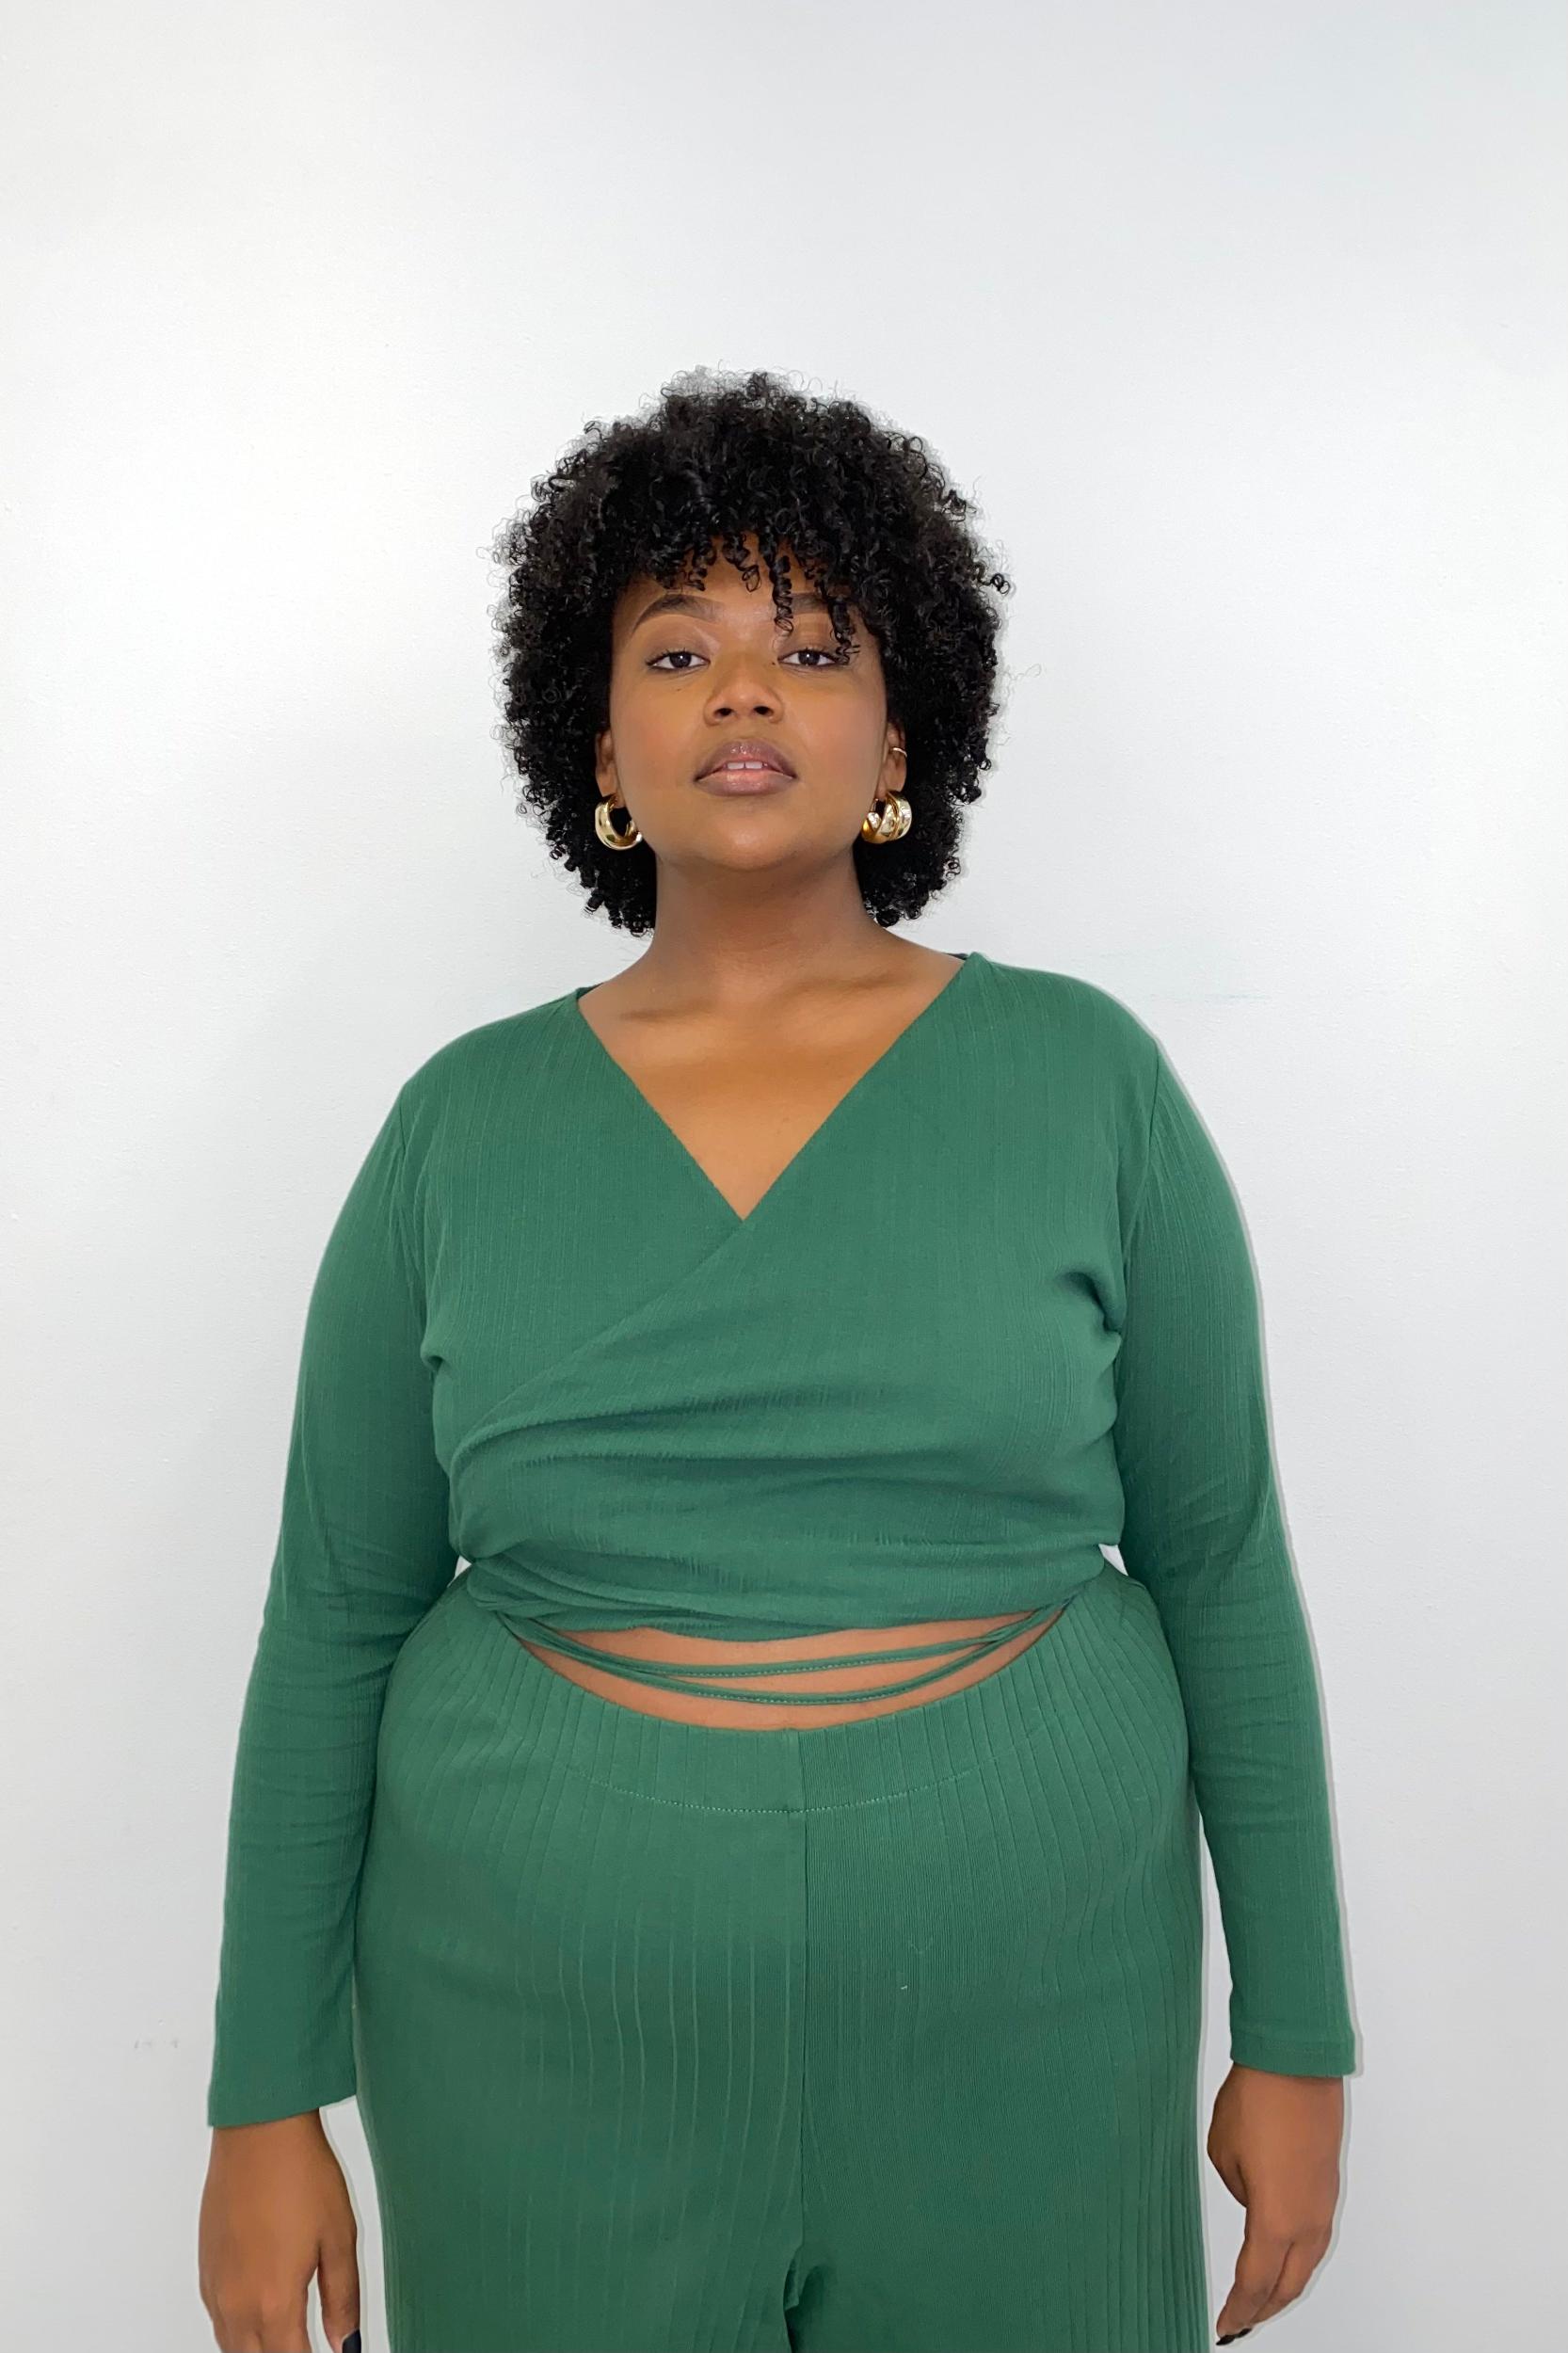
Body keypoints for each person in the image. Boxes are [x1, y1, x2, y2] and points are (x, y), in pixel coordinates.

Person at [198, 366, 1357, 2353]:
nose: (744, 690)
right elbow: (335, 1611)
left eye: (812, 648)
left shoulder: (1084, 1079)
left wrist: (1296, 2031)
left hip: (1033, 1999)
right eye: (679, 650)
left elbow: (1221, 1557)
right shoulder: (459, 1127)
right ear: (602, 744)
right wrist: (260, 2093)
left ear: (901, 736)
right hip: (530, 2020)